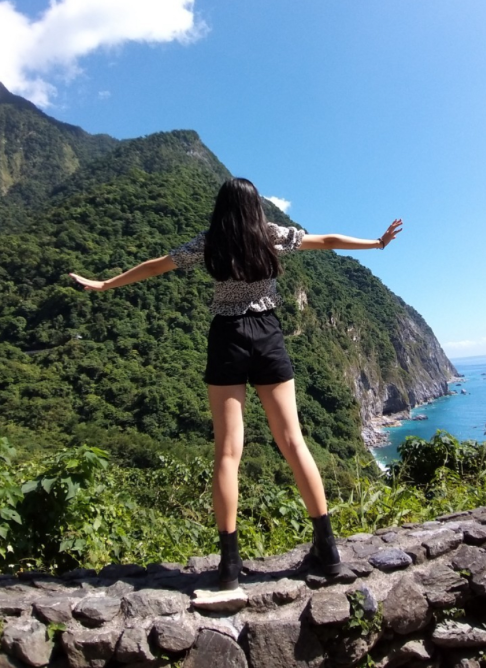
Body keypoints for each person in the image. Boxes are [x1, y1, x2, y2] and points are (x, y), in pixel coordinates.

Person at [70, 177, 402, 590]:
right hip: (267, 335)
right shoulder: (271, 235)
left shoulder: (210, 242)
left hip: (227, 336)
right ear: (256, 206)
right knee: (294, 442)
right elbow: (327, 240)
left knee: (228, 452)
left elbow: (157, 265)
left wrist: (105, 284)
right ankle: (328, 552)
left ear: (222, 207)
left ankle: (229, 566)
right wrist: (376, 243)